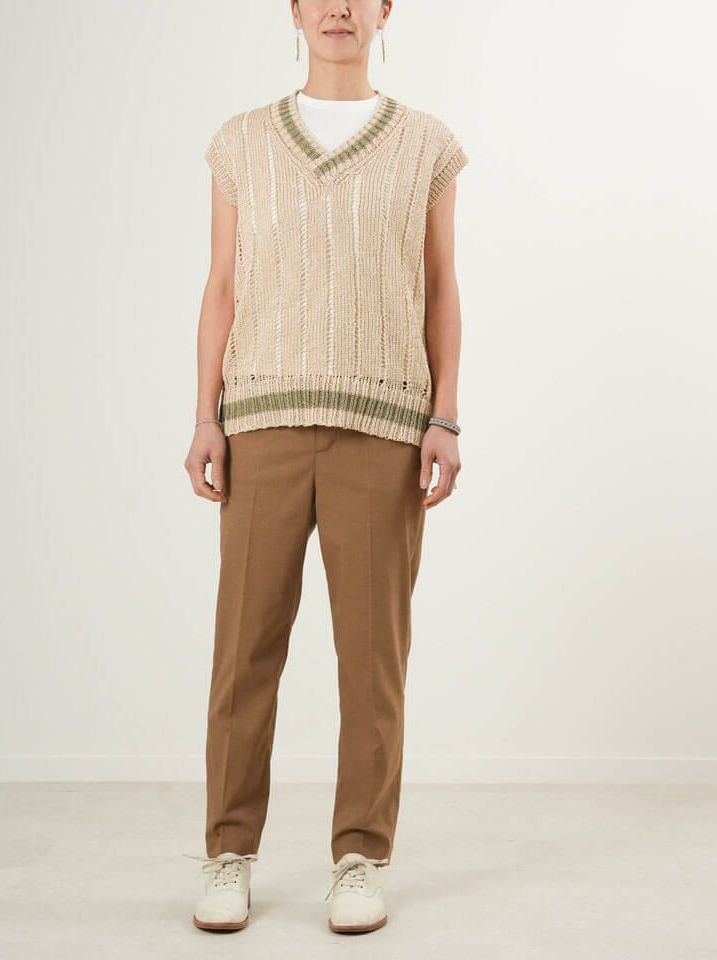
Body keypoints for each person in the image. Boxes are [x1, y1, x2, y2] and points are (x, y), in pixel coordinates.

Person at [183, 0, 467, 936]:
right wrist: (206, 418)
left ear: (385, 11)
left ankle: (360, 857)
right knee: (244, 651)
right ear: (295, 10)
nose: (338, 8)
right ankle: (229, 851)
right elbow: (222, 286)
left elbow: (440, 287)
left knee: (373, 658)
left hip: (383, 428)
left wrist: (444, 417)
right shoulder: (240, 143)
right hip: (260, 424)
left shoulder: (425, 145)